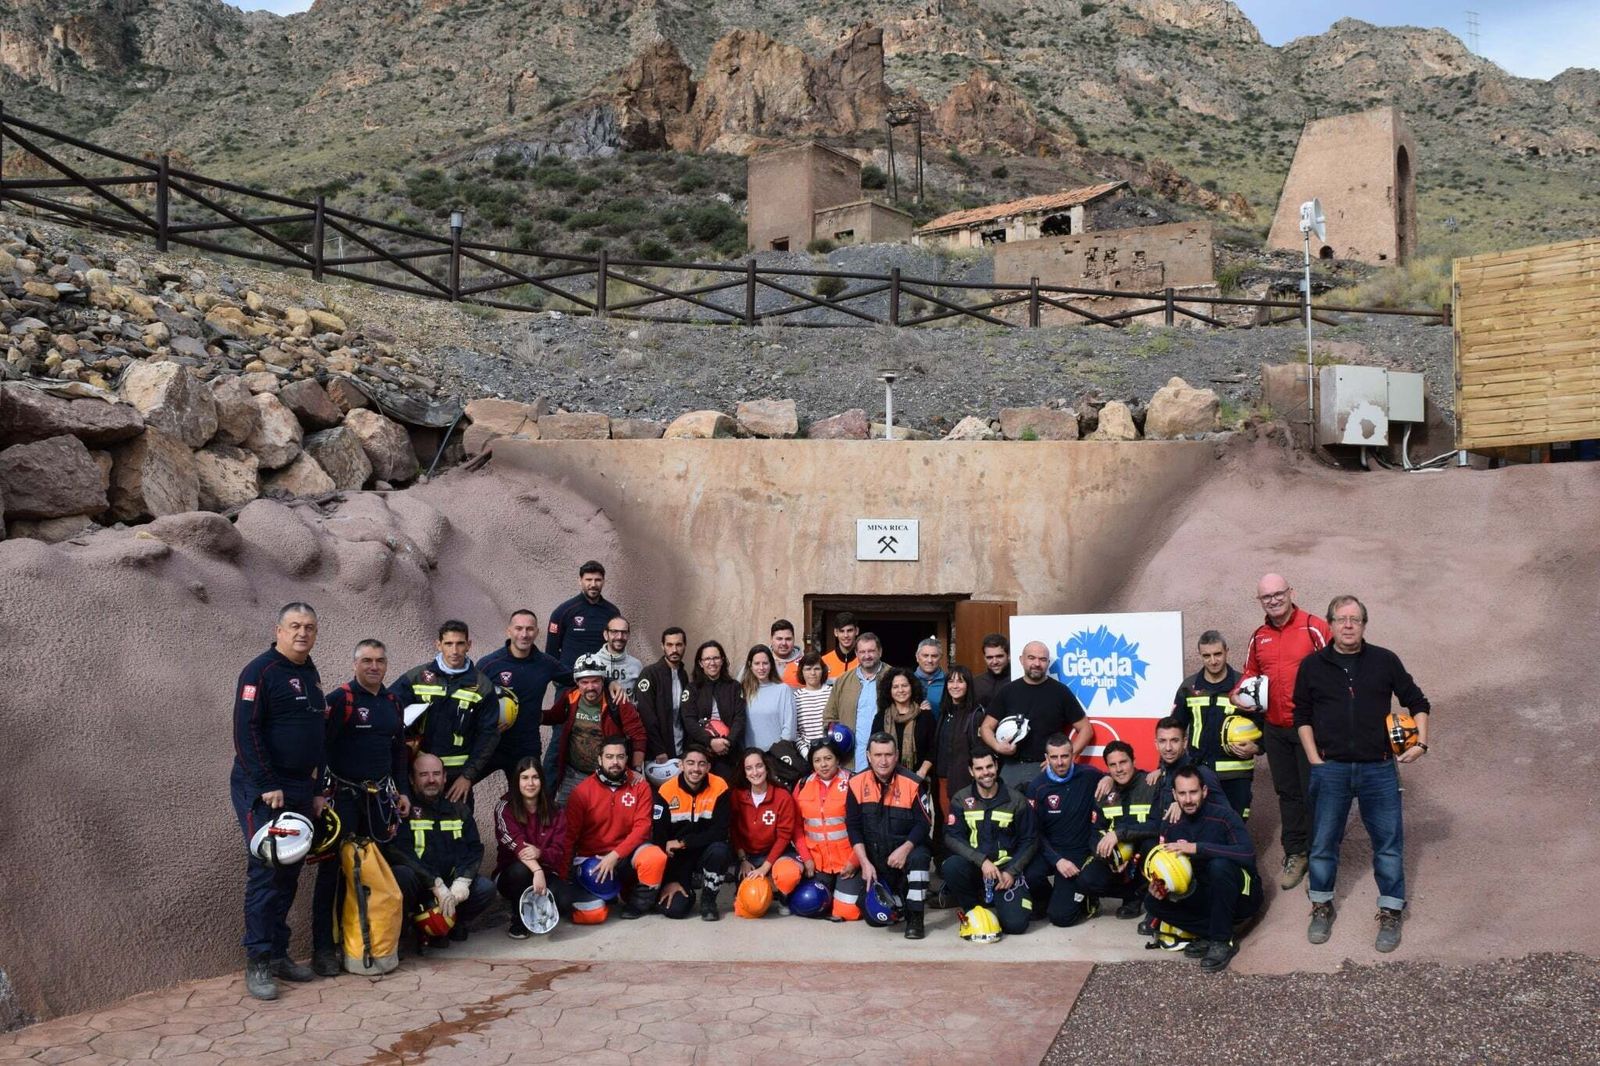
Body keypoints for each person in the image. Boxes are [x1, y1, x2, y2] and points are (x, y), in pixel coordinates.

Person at [1295, 596, 1430, 953]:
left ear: (1365, 625)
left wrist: (1421, 743)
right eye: (1342, 619)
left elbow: (1418, 702)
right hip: (1331, 770)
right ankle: (1321, 906)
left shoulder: (1385, 661)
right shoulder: (1312, 666)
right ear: (1331, 624)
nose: (1349, 625)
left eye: (1355, 619)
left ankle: (1390, 911)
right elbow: (1302, 716)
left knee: (1388, 845)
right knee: (1323, 844)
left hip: (1379, 769)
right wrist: (1314, 759)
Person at [231, 602, 327, 1001]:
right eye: (294, 626)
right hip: (266, 787)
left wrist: (319, 786)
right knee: (267, 869)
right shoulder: (260, 671)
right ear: (279, 629)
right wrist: (267, 781)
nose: (302, 633)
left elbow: (317, 733)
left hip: (302, 789)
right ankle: (256, 961)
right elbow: (245, 731)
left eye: (308, 627)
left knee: (289, 871)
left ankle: (278, 955)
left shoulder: (310, 672)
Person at [312, 639, 412, 976]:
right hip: (343, 801)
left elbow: (400, 752)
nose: (374, 667)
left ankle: (369, 943)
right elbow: (320, 750)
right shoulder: (341, 700)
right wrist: (320, 794)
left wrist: (402, 791)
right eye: (367, 660)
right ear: (355, 664)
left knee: (374, 873)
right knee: (332, 874)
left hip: (378, 802)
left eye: (380, 661)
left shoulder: (393, 703)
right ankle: (324, 949)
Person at [1239, 573, 1330, 890]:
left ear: (1291, 592)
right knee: (1288, 794)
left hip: (1311, 729)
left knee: (1314, 793)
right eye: (1267, 597)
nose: (1274, 600)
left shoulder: (1314, 626)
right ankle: (1296, 853)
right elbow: (1250, 674)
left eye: (1279, 594)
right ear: (1260, 601)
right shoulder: (1258, 636)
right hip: (1275, 730)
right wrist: (1239, 693)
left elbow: (1338, 666)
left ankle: (1321, 856)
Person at [1145, 767, 1263, 972]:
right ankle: (1213, 932)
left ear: (1205, 791)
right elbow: (1172, 869)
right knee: (1152, 902)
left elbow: (1247, 854)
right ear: (1174, 795)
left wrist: (1197, 848)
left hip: (1241, 895)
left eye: (1193, 792)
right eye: (1182, 793)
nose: (1188, 799)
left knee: (1220, 866)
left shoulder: (1225, 816)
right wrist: (1161, 886)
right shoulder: (1171, 825)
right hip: (1202, 893)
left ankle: (1221, 941)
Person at [384, 754, 497, 949]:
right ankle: (405, 932)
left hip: (451, 888)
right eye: (424, 774)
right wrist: (434, 883)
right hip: (421, 886)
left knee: (485, 889)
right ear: (412, 779)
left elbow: (473, 848)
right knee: (400, 875)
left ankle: (450, 923)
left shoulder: (458, 808)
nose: (431, 780)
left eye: (436, 774)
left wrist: (463, 881)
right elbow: (398, 851)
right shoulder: (404, 809)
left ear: (445, 777)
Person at [393, 620, 499, 808]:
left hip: (457, 778)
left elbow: (488, 736)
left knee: (459, 831)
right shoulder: (417, 677)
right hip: (421, 773)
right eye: (449, 644)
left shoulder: (482, 686)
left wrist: (468, 776)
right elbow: (389, 709)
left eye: (460, 643)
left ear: (469, 645)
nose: (455, 650)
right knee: (417, 830)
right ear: (438, 644)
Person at [565, 735, 666, 920]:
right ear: (600, 759)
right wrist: (563, 877)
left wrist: (615, 855)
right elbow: (569, 836)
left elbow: (643, 827)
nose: (615, 762)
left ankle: (638, 904)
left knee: (655, 857)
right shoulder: (581, 792)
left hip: (626, 856)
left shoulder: (640, 786)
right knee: (594, 916)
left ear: (627, 759)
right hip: (592, 861)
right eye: (609, 757)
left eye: (620, 757)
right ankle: (599, 896)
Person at [846, 733, 935, 939]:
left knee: (919, 858)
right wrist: (864, 863)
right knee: (875, 918)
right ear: (868, 756)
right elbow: (853, 826)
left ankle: (915, 918)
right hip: (876, 858)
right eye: (878, 755)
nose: (883, 761)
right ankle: (899, 901)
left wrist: (905, 849)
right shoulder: (856, 783)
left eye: (888, 754)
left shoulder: (912, 783)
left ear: (896, 756)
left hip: (906, 852)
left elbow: (924, 824)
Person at [943, 749, 1038, 934]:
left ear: (996, 766)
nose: (985, 772)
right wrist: (982, 861)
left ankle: (1004, 901)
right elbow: (952, 836)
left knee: (1016, 926)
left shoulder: (1016, 800)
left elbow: (1030, 840)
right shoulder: (961, 799)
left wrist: (1012, 872)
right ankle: (972, 909)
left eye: (989, 766)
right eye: (979, 768)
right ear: (971, 771)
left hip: (1005, 874)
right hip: (976, 868)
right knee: (951, 866)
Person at [542, 560, 622, 782]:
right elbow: (550, 654)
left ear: (603, 581)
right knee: (559, 740)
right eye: (589, 580)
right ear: (580, 581)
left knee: (604, 737)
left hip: (600, 686)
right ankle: (547, 798)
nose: (593, 584)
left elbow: (616, 648)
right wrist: (563, 682)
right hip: (570, 686)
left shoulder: (611, 612)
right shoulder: (564, 611)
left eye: (597, 579)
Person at [479, 609, 572, 797]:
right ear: (509, 631)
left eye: (530, 629)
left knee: (529, 801)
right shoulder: (489, 664)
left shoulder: (546, 663)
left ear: (537, 632)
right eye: (519, 628)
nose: (524, 634)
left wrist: (611, 683)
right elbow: (470, 701)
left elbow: (579, 680)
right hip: (490, 743)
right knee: (459, 786)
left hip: (525, 746)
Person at [982, 641, 1093, 791]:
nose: (1037, 663)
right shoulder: (1007, 691)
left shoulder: (1060, 692)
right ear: (1021, 660)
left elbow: (1086, 729)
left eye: (1042, 659)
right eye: (1031, 658)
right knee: (1007, 812)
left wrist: (1064, 758)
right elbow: (986, 727)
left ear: (1048, 663)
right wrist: (998, 746)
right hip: (1011, 768)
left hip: (1045, 769)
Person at [1173, 630, 1258, 819]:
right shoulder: (1189, 686)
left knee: (1235, 827)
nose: (1213, 661)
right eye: (1207, 656)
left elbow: (1264, 725)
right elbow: (1174, 728)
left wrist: (1257, 746)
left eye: (1217, 654)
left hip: (1236, 774)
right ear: (1200, 656)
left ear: (1226, 651)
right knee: (1203, 829)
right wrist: (1166, 767)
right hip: (1199, 774)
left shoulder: (1244, 686)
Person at [1024, 734, 1105, 927]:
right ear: (1046, 758)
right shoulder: (1037, 786)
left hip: (1077, 852)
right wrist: (1057, 860)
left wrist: (1107, 779)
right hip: (1049, 851)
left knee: (1061, 918)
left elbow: (1116, 776)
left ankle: (1086, 899)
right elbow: (1035, 832)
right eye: (1054, 757)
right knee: (1027, 874)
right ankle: (1046, 899)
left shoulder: (1089, 775)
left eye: (1064, 756)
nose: (1060, 762)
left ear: (1073, 754)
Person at [548, 653, 646, 805]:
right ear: (577, 683)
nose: (590, 687)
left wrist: (637, 769)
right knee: (565, 821)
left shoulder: (617, 701)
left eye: (595, 681)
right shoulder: (570, 697)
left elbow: (638, 734)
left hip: (607, 776)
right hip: (573, 775)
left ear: (603, 681)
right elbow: (554, 716)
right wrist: (533, 714)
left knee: (602, 822)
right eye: (585, 682)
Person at [651, 745, 734, 920]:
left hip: (707, 852)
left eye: (701, 764)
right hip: (678, 860)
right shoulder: (666, 790)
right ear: (681, 766)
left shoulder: (720, 786)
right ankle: (685, 891)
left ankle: (708, 899)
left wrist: (684, 842)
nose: (696, 769)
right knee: (675, 910)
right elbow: (660, 839)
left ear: (708, 767)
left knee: (721, 850)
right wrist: (671, 880)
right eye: (690, 763)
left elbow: (720, 833)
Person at [493, 757, 572, 938]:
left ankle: (535, 908)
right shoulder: (504, 808)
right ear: (517, 781)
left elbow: (558, 852)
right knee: (520, 871)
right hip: (510, 875)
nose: (530, 783)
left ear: (542, 780)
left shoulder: (556, 811)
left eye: (535, 777)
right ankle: (518, 921)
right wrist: (537, 870)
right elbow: (516, 844)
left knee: (566, 902)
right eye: (525, 777)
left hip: (545, 873)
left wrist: (540, 853)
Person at [1079, 741, 1157, 919]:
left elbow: (1158, 826)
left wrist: (1119, 834)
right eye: (1113, 765)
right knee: (1086, 881)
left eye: (1123, 762)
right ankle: (1130, 894)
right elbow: (1095, 831)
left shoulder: (1150, 784)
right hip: (1117, 856)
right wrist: (1107, 858)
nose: (1119, 769)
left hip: (1141, 856)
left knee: (1151, 846)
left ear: (1133, 761)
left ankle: (1141, 897)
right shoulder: (1104, 790)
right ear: (1107, 768)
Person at [792, 740, 857, 914]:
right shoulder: (802, 785)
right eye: (817, 760)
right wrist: (806, 858)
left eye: (828, 758)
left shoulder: (853, 782)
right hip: (817, 863)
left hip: (848, 862)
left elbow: (864, 827)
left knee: (847, 912)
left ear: (837, 760)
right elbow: (796, 827)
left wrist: (854, 861)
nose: (823, 764)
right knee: (811, 905)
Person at [931, 665, 986, 846]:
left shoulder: (975, 715)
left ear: (968, 685)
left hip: (965, 782)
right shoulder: (945, 712)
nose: (955, 685)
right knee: (946, 823)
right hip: (942, 779)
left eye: (960, 681)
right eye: (951, 681)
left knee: (965, 826)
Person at [731, 748, 800, 889]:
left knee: (788, 874)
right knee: (753, 902)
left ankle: (783, 895)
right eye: (749, 768)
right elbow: (733, 830)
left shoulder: (782, 796)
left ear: (767, 768)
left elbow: (784, 836)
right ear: (744, 773)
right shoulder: (737, 795)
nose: (755, 772)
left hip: (778, 853)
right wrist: (743, 859)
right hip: (748, 856)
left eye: (759, 766)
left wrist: (764, 868)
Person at [681, 640, 747, 781]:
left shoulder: (734, 687)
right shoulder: (692, 689)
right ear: (700, 663)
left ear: (722, 661)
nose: (712, 663)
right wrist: (710, 742)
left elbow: (739, 718)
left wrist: (727, 743)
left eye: (716, 658)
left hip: (728, 752)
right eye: (707, 659)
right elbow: (688, 720)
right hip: (699, 751)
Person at [822, 631, 889, 770]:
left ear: (880, 652)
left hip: (885, 758)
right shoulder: (843, 680)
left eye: (871, 651)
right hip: (851, 760)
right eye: (862, 652)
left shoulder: (893, 677)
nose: (867, 656)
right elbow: (830, 717)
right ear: (857, 654)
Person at [634, 627, 690, 765]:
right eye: (669, 645)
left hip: (680, 749)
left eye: (679, 644)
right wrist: (658, 749)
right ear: (662, 646)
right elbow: (646, 716)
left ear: (685, 646)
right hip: (658, 753)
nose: (674, 650)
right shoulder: (650, 674)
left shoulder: (684, 675)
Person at [870, 667, 934, 779]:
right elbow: (872, 748)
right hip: (887, 779)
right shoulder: (881, 718)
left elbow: (934, 749)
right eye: (895, 687)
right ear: (889, 690)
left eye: (904, 686)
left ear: (912, 687)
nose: (900, 690)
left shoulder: (925, 716)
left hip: (919, 779)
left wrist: (922, 772)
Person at [741, 644, 798, 751]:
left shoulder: (783, 689)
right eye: (757, 663)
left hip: (777, 756)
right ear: (750, 665)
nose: (761, 668)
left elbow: (789, 728)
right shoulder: (743, 691)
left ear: (771, 664)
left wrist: (779, 752)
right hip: (751, 757)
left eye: (765, 663)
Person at [792, 652, 833, 755]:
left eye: (816, 669)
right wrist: (806, 753)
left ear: (822, 671)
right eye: (808, 669)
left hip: (832, 752)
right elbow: (795, 731)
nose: (813, 673)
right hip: (807, 754)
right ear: (802, 672)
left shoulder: (832, 693)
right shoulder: (795, 697)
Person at [596, 617, 644, 698]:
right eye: (614, 632)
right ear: (605, 635)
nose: (619, 637)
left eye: (624, 632)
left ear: (628, 635)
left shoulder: (636, 665)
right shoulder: (594, 662)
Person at [973, 633, 1012, 711]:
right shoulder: (976, 683)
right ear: (984, 658)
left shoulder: (1017, 679)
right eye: (989, 657)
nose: (994, 661)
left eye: (999, 656)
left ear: (1008, 656)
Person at [912, 637, 947, 718]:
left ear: (941, 657)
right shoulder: (908, 681)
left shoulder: (949, 682)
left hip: (941, 729)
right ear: (917, 657)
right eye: (925, 656)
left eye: (934, 656)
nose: (930, 660)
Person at [820, 613, 859, 680]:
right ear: (835, 632)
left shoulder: (864, 660)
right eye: (842, 631)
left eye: (849, 630)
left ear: (856, 631)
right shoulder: (824, 661)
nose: (846, 635)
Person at [771, 619, 804, 685]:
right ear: (771, 639)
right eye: (779, 639)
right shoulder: (760, 663)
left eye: (788, 639)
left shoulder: (805, 663)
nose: (784, 643)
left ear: (794, 639)